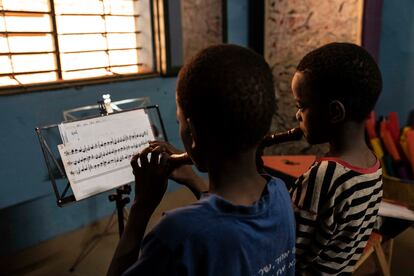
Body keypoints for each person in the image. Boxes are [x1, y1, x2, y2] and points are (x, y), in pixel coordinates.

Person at [107, 44, 296, 276]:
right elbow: (230, 223)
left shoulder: (177, 234)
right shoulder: (280, 193)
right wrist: (193, 180)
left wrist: (141, 207)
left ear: (193, 134)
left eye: (180, 122)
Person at [290, 42, 383, 275]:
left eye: (301, 106)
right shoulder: (373, 165)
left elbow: (285, 250)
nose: (297, 115)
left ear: (334, 112)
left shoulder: (323, 176)